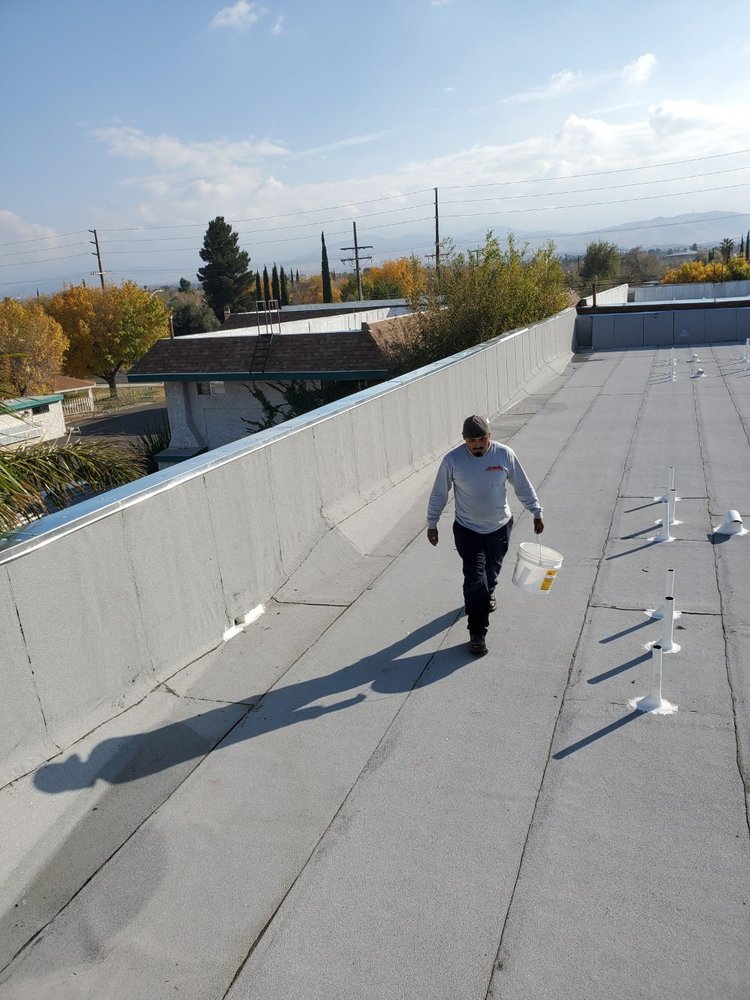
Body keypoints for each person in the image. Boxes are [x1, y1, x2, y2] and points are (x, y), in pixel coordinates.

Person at [426, 414, 544, 656]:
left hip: (500, 527)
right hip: (468, 530)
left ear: (490, 436)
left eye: (482, 439)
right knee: (475, 578)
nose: (477, 444)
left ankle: (488, 593)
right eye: (472, 440)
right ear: (464, 440)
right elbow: (439, 493)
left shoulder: (504, 454)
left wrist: (536, 511)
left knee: (491, 573)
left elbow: (522, 485)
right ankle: (477, 632)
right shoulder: (453, 460)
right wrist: (432, 522)